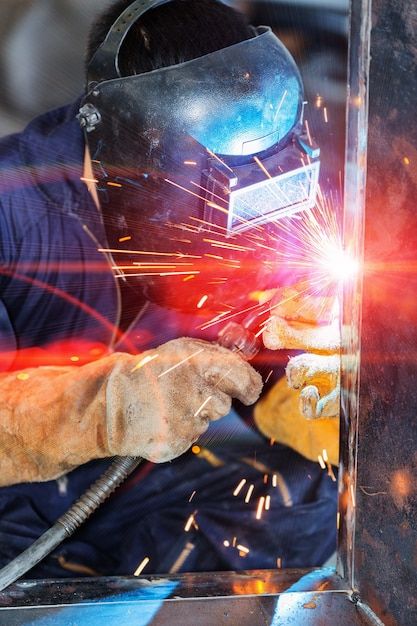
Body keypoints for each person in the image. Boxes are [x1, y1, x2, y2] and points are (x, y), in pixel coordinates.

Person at [0, 0, 339, 578]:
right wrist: (103, 410)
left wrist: (317, 385)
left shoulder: (268, 183)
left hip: (149, 487)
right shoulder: (13, 207)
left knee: (308, 506)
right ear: (131, 151)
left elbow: (268, 343)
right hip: (11, 507)